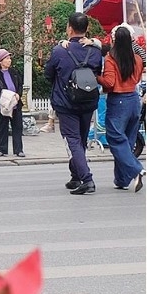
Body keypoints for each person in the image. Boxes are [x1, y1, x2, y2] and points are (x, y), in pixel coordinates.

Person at [44, 12, 103, 195]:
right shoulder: (94, 50)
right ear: (87, 29)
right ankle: (76, 175)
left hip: (66, 102)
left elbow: (48, 74)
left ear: (70, 28)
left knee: (73, 140)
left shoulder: (60, 50)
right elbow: (97, 71)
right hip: (88, 101)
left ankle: (87, 179)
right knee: (81, 140)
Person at [96, 24, 145, 191]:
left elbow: (109, 82)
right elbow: (137, 78)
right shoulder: (137, 59)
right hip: (133, 99)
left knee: (116, 139)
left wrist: (96, 77)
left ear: (115, 40)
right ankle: (122, 180)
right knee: (127, 141)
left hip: (118, 101)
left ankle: (136, 170)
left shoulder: (111, 58)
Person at [0, 48, 25, 158]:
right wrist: (9, 96)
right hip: (3, 105)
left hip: (16, 104)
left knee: (17, 127)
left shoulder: (14, 72)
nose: (9, 61)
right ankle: (1, 149)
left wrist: (18, 94)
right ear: (0, 61)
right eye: (6, 59)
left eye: (9, 58)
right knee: (2, 127)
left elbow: (20, 85)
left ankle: (18, 150)